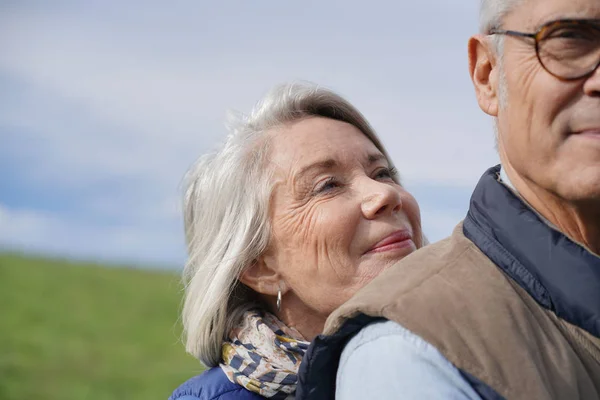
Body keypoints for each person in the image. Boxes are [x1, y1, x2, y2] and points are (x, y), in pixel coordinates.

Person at [296, 0, 600, 399]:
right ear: (487, 75)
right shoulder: (407, 353)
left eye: (383, 172)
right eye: (569, 38)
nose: (382, 197)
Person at [168, 82, 425, 400]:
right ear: (259, 266)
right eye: (328, 185)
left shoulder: (471, 355)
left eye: (382, 173)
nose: (385, 193)